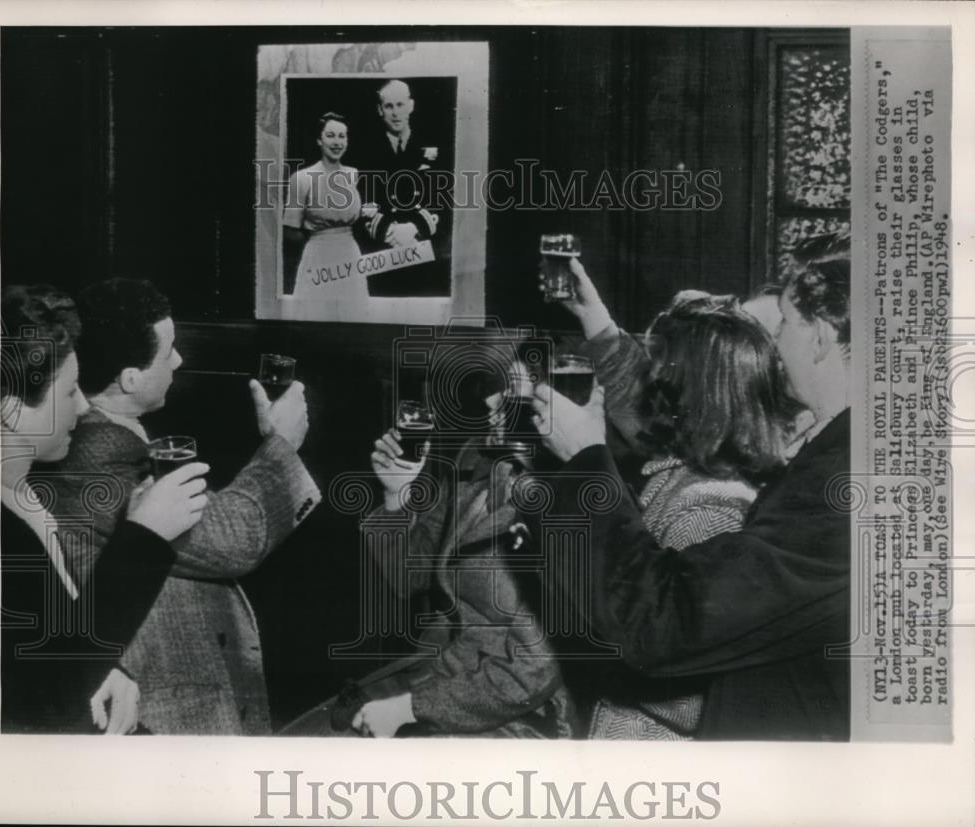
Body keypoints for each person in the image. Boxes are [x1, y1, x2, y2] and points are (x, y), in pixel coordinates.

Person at [529, 258, 851, 740]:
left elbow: (665, 624)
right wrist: (597, 325)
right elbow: (670, 412)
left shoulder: (841, 481)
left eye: (781, 321)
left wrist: (585, 460)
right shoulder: (829, 444)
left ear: (821, 337)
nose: (769, 346)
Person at [47, 278, 321, 735]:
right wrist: (282, 446)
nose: (179, 360)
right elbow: (234, 540)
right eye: (169, 350)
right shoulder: (95, 456)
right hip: (166, 708)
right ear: (130, 378)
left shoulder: (110, 436)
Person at [286, 358, 575, 738]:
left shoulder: (564, 505)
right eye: (495, 387)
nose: (490, 402)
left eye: (509, 392)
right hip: (437, 670)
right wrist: (396, 494)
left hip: (509, 710)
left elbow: (533, 670)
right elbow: (409, 578)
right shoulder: (478, 464)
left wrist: (409, 709)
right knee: (303, 737)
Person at [0, 284, 209, 734]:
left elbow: (50, 651)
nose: (81, 405)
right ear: (11, 409)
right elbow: (39, 701)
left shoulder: (19, 496)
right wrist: (145, 536)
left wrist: (110, 671)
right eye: (70, 390)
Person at [355, 79, 451, 297]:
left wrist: (414, 229)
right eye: (389, 106)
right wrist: (390, 232)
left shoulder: (434, 143)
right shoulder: (364, 149)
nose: (395, 113)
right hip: (381, 250)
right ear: (380, 110)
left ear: (411, 106)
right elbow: (362, 200)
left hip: (424, 247)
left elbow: (443, 197)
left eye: (400, 105)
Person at [282, 112, 369, 314]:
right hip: (318, 256)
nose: (337, 142)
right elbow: (290, 230)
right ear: (319, 140)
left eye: (342, 136)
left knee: (352, 317)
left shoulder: (353, 174)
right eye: (330, 135)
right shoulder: (302, 178)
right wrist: (319, 244)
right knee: (316, 317)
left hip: (350, 254)